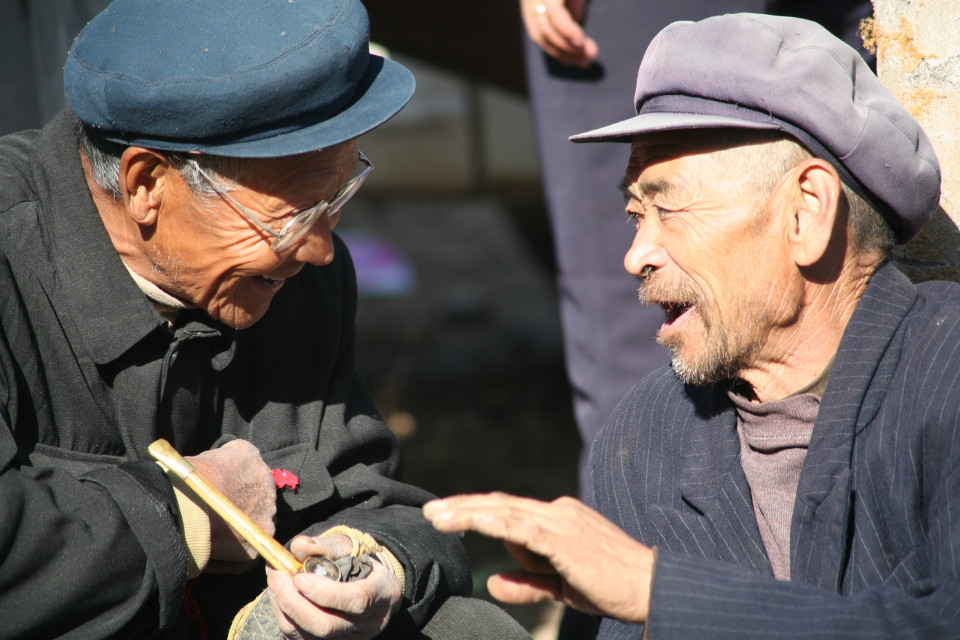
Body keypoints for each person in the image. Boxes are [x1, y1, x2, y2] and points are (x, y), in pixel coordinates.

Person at [0, 1, 531, 639]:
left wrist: (371, 565)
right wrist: (188, 514)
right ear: (145, 184)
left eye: (336, 197)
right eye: (291, 213)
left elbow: (367, 490)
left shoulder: (293, 273)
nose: (321, 249)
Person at [425, 12, 960, 639]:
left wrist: (661, 593)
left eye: (669, 207)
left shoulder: (944, 372)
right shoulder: (647, 437)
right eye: (634, 213)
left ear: (805, 212)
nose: (636, 255)